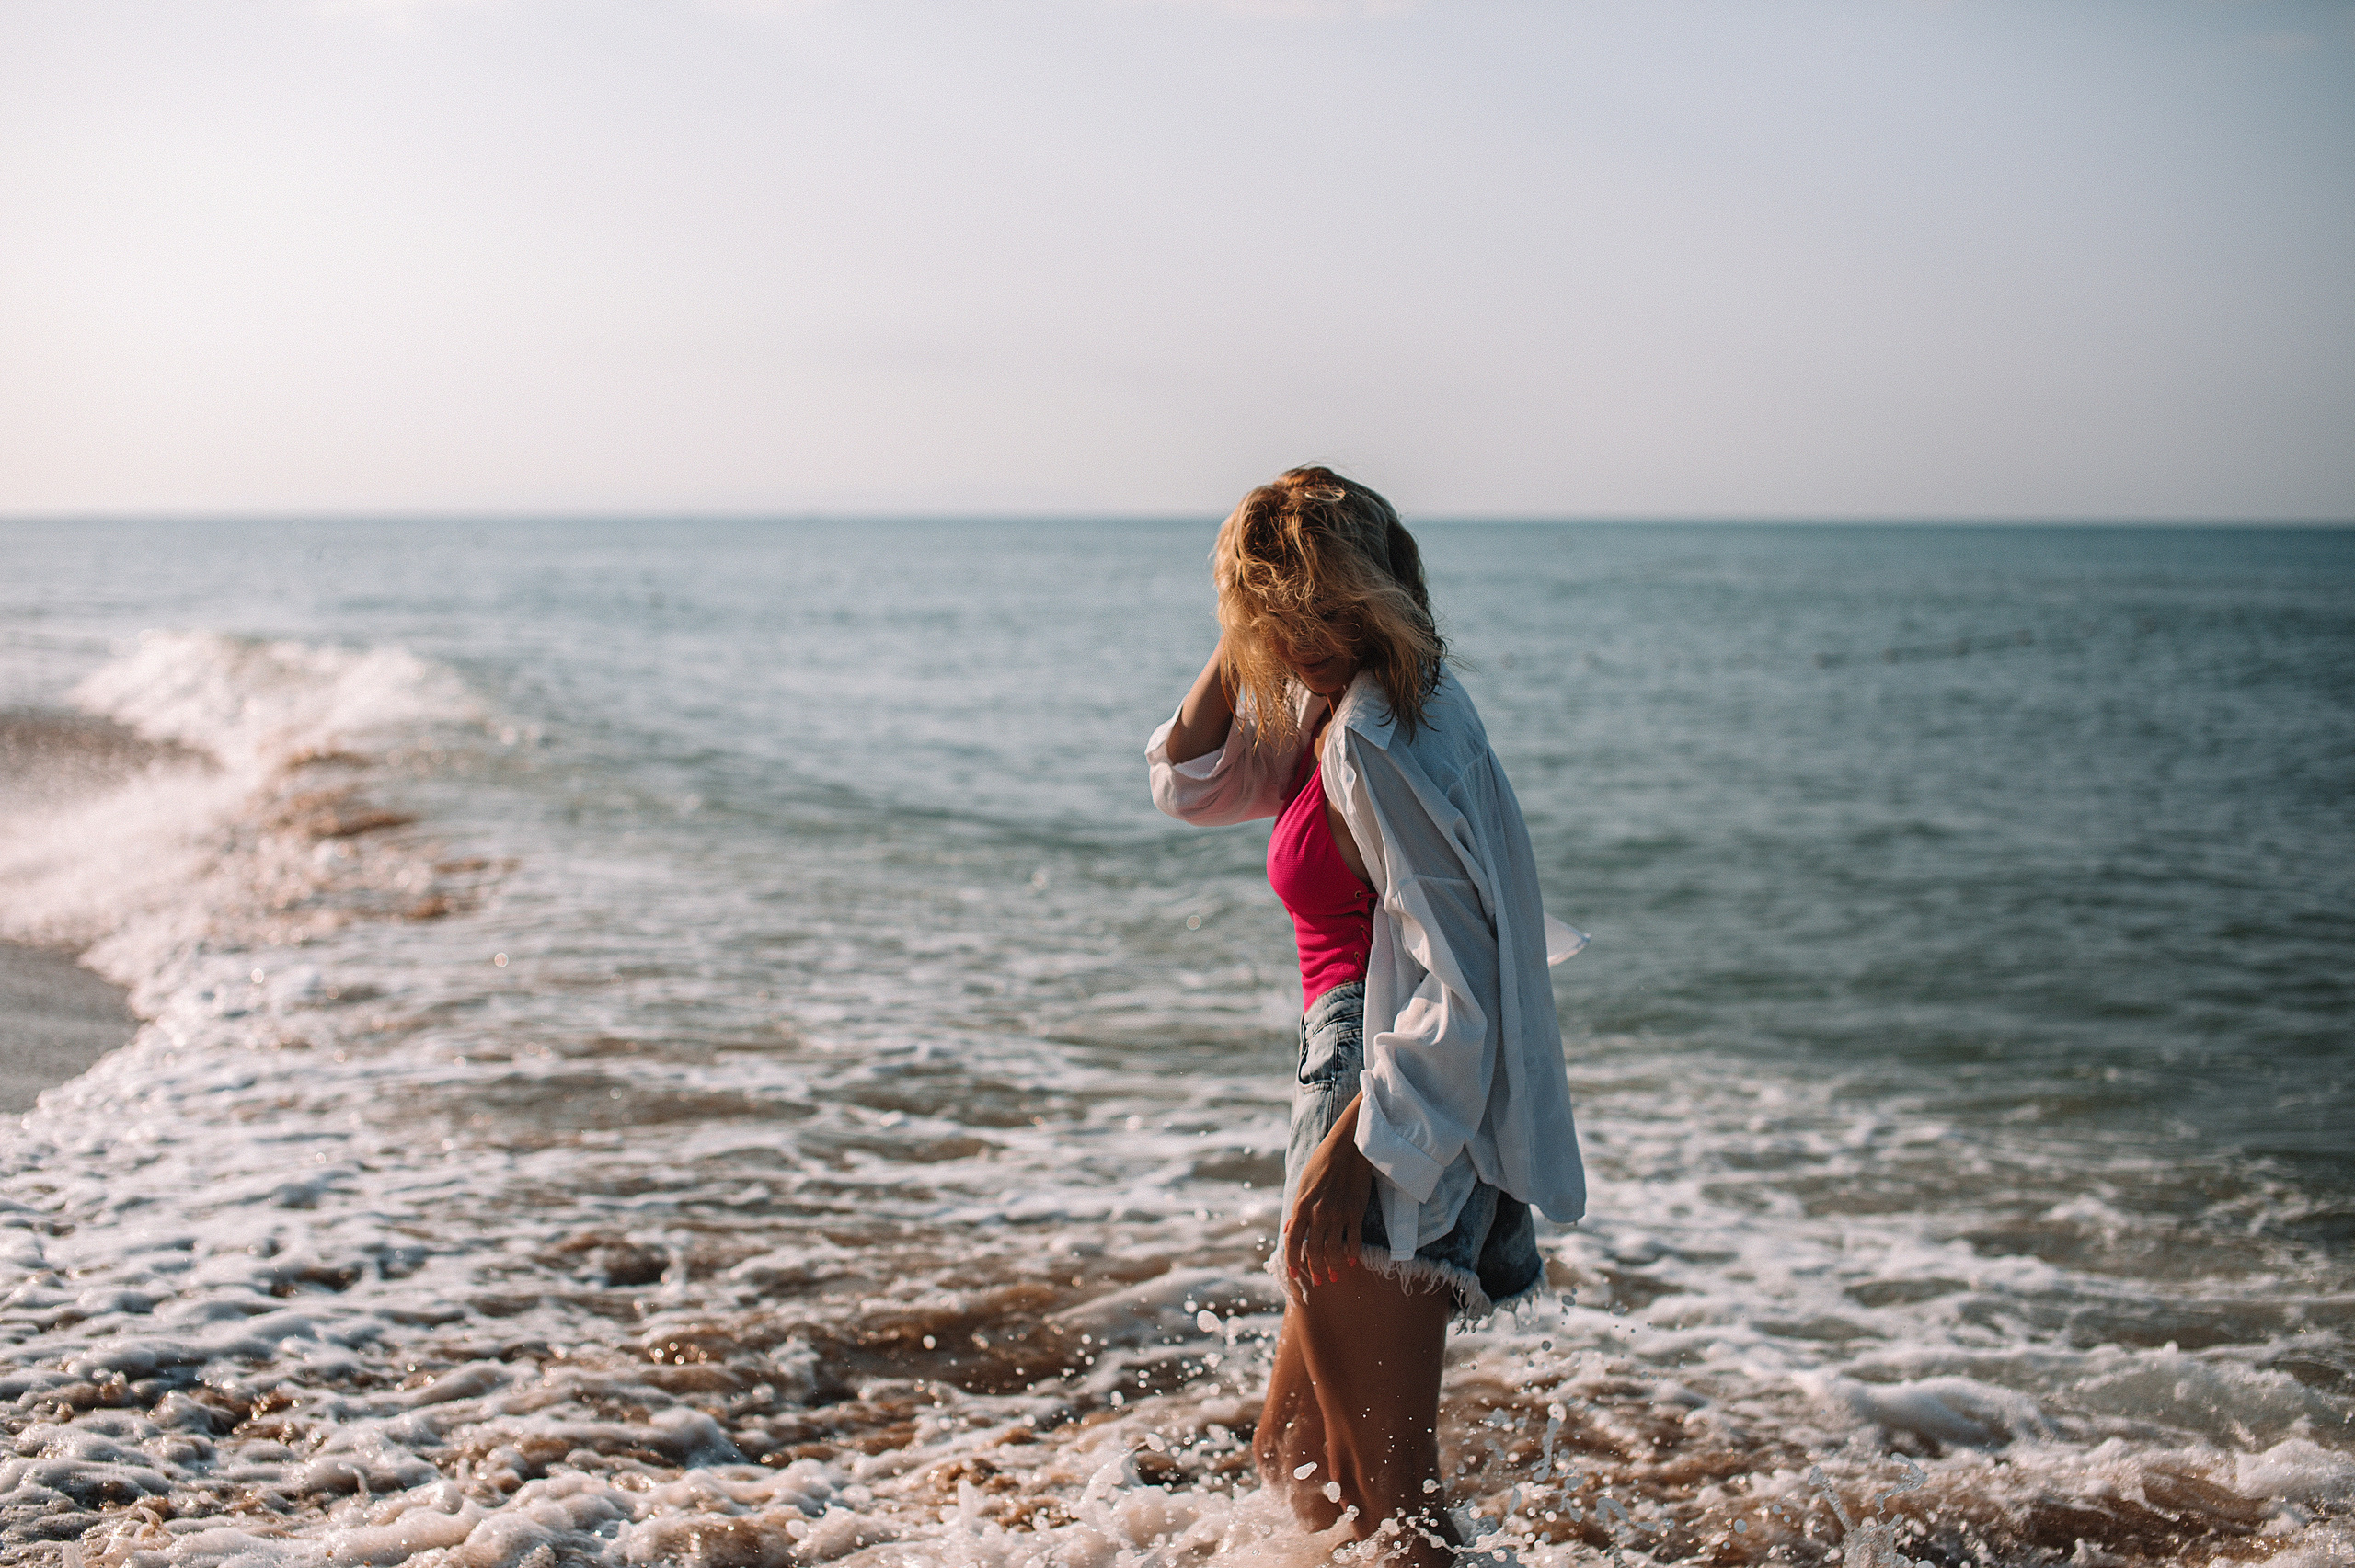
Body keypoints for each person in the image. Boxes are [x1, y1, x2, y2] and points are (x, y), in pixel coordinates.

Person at [1145, 467, 1587, 1563]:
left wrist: (1354, 1147)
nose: (1306, 636)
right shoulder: (1355, 704)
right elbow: (1187, 779)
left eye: (1331, 606)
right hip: (1376, 1075)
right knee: (1295, 1453)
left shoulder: (1371, 741)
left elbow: (1463, 978)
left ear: (1381, 593)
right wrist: (1244, 627)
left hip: (1377, 1083)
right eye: (1283, 611)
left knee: (1392, 1502)